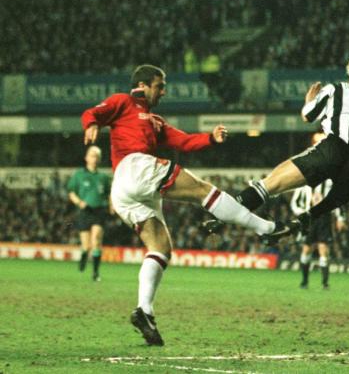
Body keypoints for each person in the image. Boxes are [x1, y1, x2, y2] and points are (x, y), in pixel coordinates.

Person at [81, 64, 294, 346]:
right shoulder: (124, 101)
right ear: (142, 85)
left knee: (160, 249)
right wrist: (91, 124)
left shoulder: (155, 120)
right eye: (159, 86)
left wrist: (210, 138)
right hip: (134, 167)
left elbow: (181, 140)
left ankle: (144, 311)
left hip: (126, 189)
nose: (163, 91)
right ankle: (266, 228)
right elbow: (92, 113)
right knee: (203, 191)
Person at [211, 52, 349, 232]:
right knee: (331, 201)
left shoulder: (337, 88)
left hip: (332, 151)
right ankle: (299, 222)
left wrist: (309, 101)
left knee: (269, 184)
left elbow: (308, 116)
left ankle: (220, 219)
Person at [67, 145, 112, 281]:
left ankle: (95, 273)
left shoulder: (104, 177)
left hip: (99, 210)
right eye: (92, 156)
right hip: (85, 211)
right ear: (86, 158)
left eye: (97, 156)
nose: (94, 159)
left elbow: (109, 194)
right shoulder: (79, 175)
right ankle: (84, 255)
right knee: (86, 246)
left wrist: (112, 206)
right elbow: (71, 192)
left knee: (96, 240)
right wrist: (79, 202)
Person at [290, 178, 345, 289]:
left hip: (324, 217)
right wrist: (302, 212)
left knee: (323, 249)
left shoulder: (329, 181)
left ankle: (325, 283)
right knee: (306, 250)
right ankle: (304, 281)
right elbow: (294, 203)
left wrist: (340, 218)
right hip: (309, 218)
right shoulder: (303, 183)